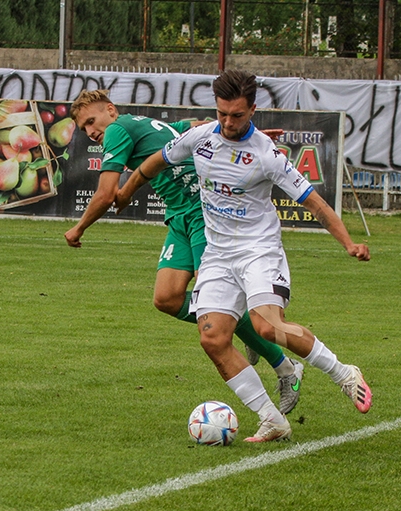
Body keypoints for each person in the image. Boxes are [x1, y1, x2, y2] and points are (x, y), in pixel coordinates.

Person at [117, 69, 372, 443]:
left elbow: (314, 201)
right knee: (213, 338)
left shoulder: (267, 155)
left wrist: (348, 243)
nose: (227, 122)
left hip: (258, 251)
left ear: (253, 110)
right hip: (219, 254)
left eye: (236, 115)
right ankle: (272, 419)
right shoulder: (201, 138)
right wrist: (125, 192)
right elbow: (154, 162)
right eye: (221, 114)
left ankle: (344, 373)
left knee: (267, 326)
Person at [64, 89, 305, 414]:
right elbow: (196, 124)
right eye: (83, 129)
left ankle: (285, 367)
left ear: (110, 109)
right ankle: (246, 329)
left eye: (91, 121)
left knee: (216, 309)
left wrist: (78, 228)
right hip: (180, 217)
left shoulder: (118, 130)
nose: (91, 131)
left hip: (201, 212)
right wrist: (254, 136)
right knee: (167, 298)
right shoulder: (146, 123)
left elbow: (107, 194)